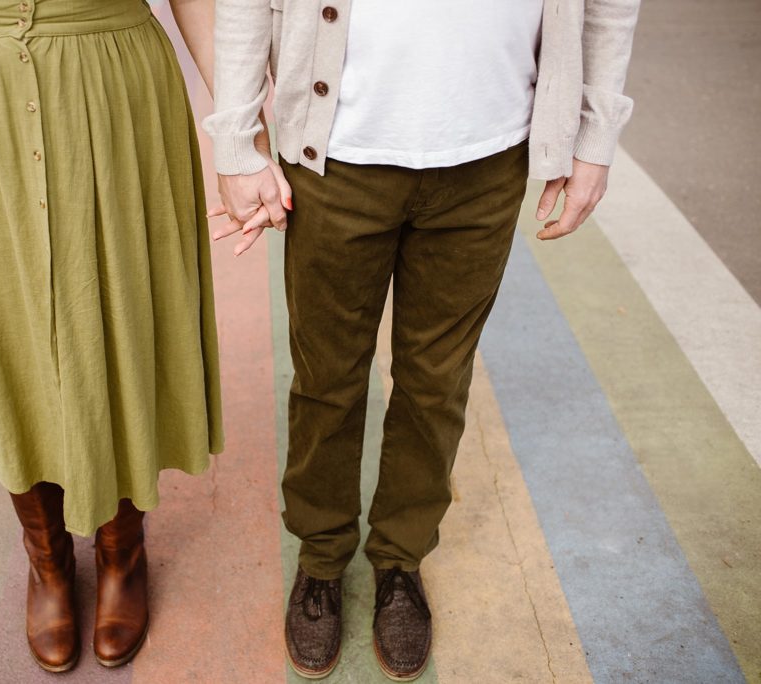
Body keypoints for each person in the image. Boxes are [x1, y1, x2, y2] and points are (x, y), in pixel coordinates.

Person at [205, 0, 640, 679]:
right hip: (336, 154)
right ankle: (322, 558)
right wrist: (236, 140)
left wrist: (596, 133)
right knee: (326, 378)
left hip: (490, 155)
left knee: (437, 382)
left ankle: (400, 559)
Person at [0, 0, 271, 672]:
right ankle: (46, 557)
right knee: (3, 330)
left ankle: (122, 549)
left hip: (112, 91)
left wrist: (243, 141)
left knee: (124, 317)